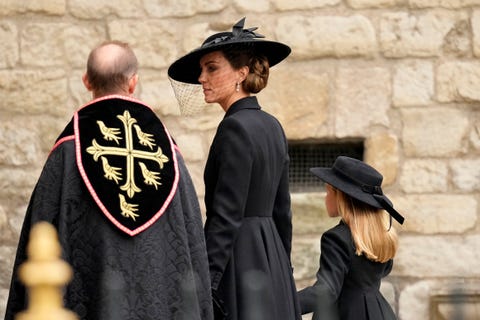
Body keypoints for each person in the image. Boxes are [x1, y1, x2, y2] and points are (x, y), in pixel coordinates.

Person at [5, 40, 213, 320]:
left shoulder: (69, 150)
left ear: (87, 81)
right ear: (133, 83)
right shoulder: (168, 152)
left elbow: (40, 233)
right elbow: (190, 240)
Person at [168, 18, 301, 320]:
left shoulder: (234, 128)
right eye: (202, 70)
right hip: (272, 260)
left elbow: (225, 217)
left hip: (241, 263)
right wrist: (283, 268)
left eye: (211, 68)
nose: (202, 77)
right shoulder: (272, 125)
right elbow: (283, 212)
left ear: (241, 72)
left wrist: (207, 282)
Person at [297, 156, 405, 320]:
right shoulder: (380, 237)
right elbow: (383, 270)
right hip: (378, 312)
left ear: (341, 197)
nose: (325, 198)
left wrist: (285, 302)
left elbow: (326, 291)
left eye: (328, 192)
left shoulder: (335, 238)